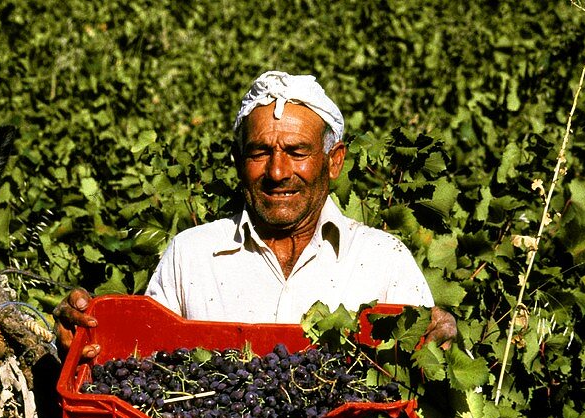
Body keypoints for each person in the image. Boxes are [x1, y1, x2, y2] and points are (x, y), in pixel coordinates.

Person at [55, 70, 457, 359]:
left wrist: (442, 336)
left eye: (297, 152)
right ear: (237, 161)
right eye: (260, 152)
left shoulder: (383, 260)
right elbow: (136, 366)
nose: (278, 172)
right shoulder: (190, 256)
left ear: (333, 162)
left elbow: (423, 374)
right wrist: (92, 333)